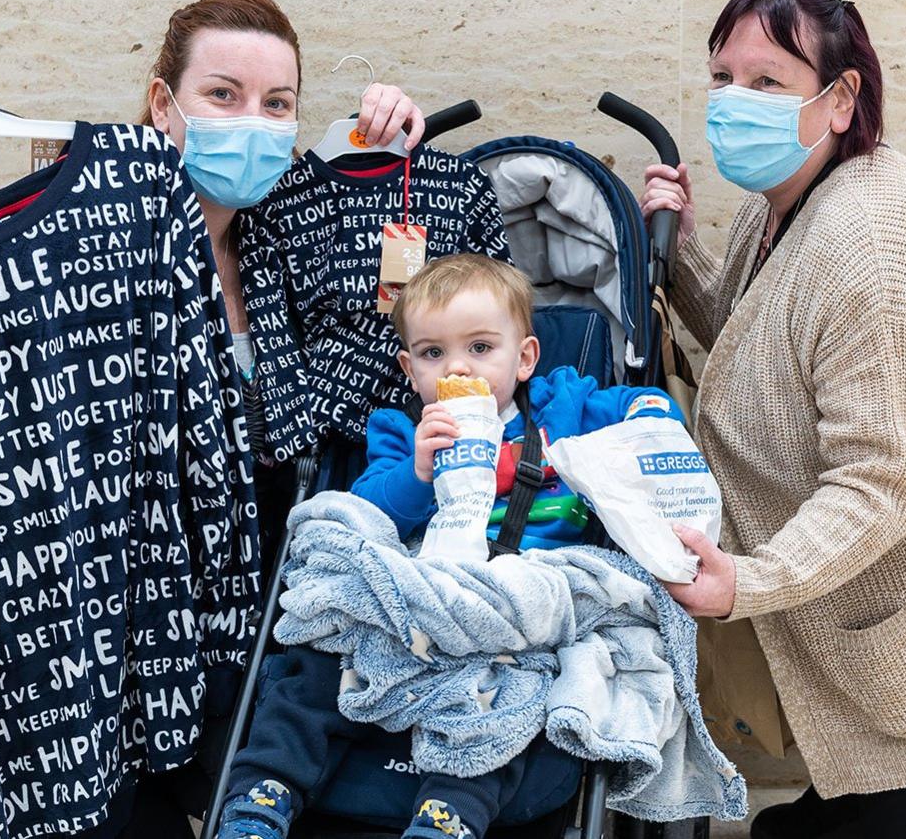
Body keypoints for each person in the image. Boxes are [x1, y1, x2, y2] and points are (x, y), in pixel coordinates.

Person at [641, 0, 906, 838]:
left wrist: (744, 584)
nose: (732, 103)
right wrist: (679, 255)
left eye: (766, 83)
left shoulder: (872, 249)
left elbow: (874, 486)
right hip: (871, 657)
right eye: (722, 78)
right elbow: (762, 341)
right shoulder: (787, 199)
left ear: (840, 98)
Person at [216, 253, 686, 839]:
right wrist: (416, 473)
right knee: (314, 664)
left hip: (519, 606)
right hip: (422, 598)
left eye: (481, 348)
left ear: (525, 358)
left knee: (512, 698)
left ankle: (447, 816)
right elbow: (369, 512)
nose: (457, 366)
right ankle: (263, 796)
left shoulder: (564, 406)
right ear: (411, 368)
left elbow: (646, 413)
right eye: (434, 354)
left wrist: (650, 411)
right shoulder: (402, 427)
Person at [132, 0, 427, 838]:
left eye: (277, 104)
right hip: (149, 613)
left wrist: (383, 127)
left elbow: (384, 303)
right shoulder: (115, 246)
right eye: (221, 95)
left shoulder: (280, 239)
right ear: (164, 102)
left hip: (260, 602)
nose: (251, 123)